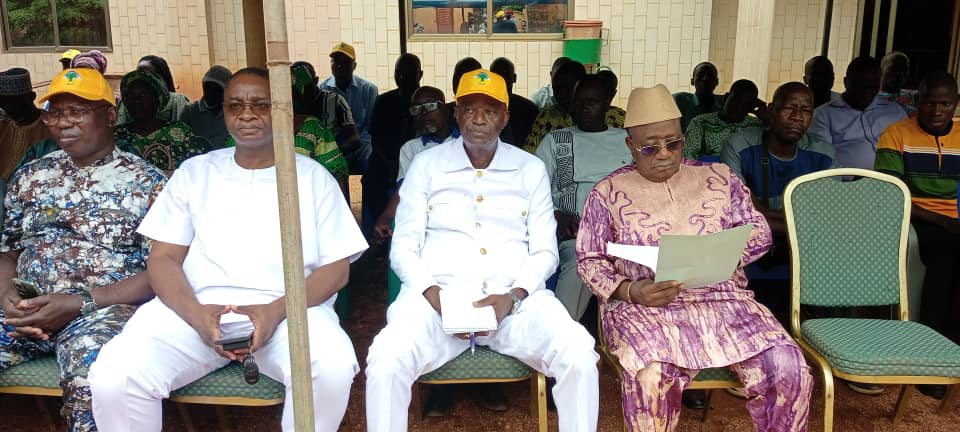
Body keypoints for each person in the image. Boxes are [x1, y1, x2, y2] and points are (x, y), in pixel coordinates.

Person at [88, 67, 368, 431]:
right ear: (223, 112)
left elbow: (337, 269)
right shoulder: (194, 173)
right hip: (194, 310)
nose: (246, 114)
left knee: (331, 368)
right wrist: (197, 316)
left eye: (260, 104)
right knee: (116, 376)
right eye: (235, 105)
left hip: (289, 312)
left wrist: (274, 312)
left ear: (282, 112)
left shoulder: (313, 177)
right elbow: (163, 258)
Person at [365, 69, 600, 432]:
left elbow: (545, 252)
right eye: (469, 109)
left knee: (579, 353)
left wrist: (514, 296)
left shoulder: (530, 169)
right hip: (435, 304)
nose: (479, 119)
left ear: (505, 118)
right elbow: (404, 248)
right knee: (385, 360)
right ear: (456, 113)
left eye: (490, 110)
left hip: (515, 305)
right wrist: (435, 296)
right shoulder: (426, 166)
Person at [577, 84, 813, 432]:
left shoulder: (719, 178)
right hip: (647, 309)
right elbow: (589, 260)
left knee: (788, 365)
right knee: (651, 377)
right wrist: (630, 290)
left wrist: (722, 252)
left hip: (726, 302)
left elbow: (759, 232)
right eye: (650, 147)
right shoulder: (607, 193)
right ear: (630, 145)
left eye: (673, 143)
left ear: (683, 139)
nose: (664, 154)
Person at [0, 68, 165, 432]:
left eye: (77, 111)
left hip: (103, 312)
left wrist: (79, 303)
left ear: (110, 115)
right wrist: (6, 294)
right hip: (26, 311)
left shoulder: (148, 183)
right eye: (56, 113)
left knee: (95, 375)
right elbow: (8, 251)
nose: (63, 122)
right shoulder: (30, 176)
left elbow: (162, 272)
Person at [875, 71, 960, 400]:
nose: (936, 110)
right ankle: (930, 363)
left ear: (955, 104)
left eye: (945, 104)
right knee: (945, 256)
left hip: (954, 219)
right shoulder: (896, 134)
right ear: (917, 102)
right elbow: (892, 194)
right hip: (914, 217)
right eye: (929, 103)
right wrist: (944, 222)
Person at [534, 75, 632, 320]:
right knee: (582, 264)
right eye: (578, 101)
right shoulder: (556, 141)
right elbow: (533, 191)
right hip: (577, 233)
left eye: (592, 101)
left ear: (607, 103)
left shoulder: (626, 141)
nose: (584, 107)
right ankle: (556, 332)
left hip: (623, 233)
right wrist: (555, 215)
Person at [372, 86, 459, 244]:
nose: (424, 113)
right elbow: (405, 191)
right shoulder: (411, 149)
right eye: (417, 109)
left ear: (446, 109)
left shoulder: (465, 142)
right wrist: (386, 216)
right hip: (427, 215)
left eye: (431, 106)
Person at [808, 56, 906, 170]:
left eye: (872, 87)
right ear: (846, 82)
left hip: (894, 178)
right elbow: (823, 159)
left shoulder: (895, 112)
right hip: (846, 180)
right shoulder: (823, 115)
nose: (867, 93)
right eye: (861, 87)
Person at [364, 54, 423, 238]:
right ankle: (375, 236)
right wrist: (390, 163)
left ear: (420, 74)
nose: (403, 77)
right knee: (372, 179)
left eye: (409, 73)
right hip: (385, 159)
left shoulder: (424, 102)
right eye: (399, 73)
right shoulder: (383, 101)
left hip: (418, 160)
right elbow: (375, 138)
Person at [113, 70, 210, 174]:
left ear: (158, 99)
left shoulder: (181, 132)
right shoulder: (116, 136)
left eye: (144, 95)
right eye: (131, 95)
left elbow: (197, 171)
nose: (137, 100)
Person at [525, 60, 625, 153]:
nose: (561, 94)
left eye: (568, 88)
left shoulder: (617, 119)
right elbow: (530, 153)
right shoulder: (547, 117)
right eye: (557, 88)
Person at [290, 61, 362, 166]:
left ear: (316, 81)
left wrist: (328, 154)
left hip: (332, 161)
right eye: (294, 87)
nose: (300, 91)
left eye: (305, 85)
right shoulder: (286, 105)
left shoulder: (335, 101)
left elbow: (354, 139)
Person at [321, 42, 379, 173]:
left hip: (361, 147)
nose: (339, 66)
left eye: (345, 62)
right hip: (332, 149)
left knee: (373, 156)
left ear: (354, 65)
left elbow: (371, 128)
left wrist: (354, 145)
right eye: (335, 62)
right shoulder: (322, 90)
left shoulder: (369, 90)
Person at [683, 79, 765, 162]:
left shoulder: (757, 126)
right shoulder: (700, 123)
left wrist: (765, 117)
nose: (738, 107)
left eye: (745, 104)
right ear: (726, 97)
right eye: (735, 100)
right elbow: (688, 161)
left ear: (751, 108)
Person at [0, 68, 52, 181]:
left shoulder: (53, 126)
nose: (8, 109)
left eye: (13, 103)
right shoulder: (3, 126)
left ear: (31, 97)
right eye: (3, 104)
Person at [117, 55, 192, 125]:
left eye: (148, 75)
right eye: (139, 73)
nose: (141, 78)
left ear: (160, 78)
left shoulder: (178, 101)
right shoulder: (127, 100)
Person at [490, 57, 539, 147]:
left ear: (514, 78)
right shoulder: (480, 109)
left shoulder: (529, 110)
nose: (501, 79)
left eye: (504, 75)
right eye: (497, 76)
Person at [181, 65, 232, 149]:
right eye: (207, 87)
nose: (210, 92)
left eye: (217, 90)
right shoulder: (189, 112)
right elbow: (181, 142)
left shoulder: (233, 112)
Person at [672, 62, 725, 132]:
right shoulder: (680, 101)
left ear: (717, 81)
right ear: (692, 81)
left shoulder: (725, 104)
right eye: (700, 75)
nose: (705, 79)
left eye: (710, 75)